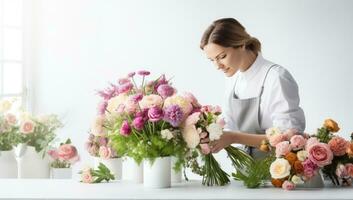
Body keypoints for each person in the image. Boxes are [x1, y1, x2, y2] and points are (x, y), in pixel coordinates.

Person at [200, 18, 305, 159]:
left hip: (279, 172)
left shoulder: (276, 77)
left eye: (222, 56)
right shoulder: (233, 79)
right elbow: (228, 125)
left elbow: (288, 138)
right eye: (212, 60)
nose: (217, 66)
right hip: (246, 171)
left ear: (241, 44)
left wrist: (233, 137)